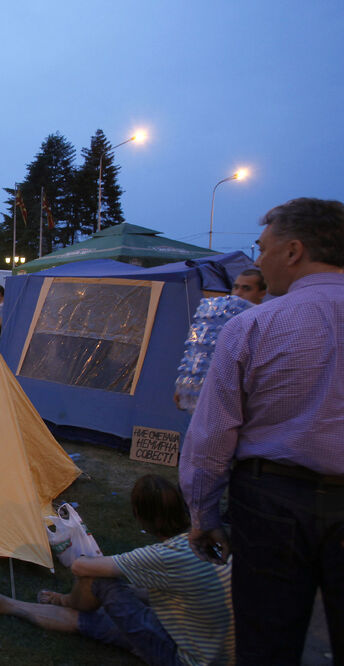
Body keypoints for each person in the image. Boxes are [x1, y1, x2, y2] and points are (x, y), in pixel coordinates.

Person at [179, 197, 344, 664]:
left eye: (263, 248)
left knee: (267, 643)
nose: (258, 261)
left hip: (274, 502)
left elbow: (213, 434)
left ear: (294, 251)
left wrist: (203, 514)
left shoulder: (255, 326)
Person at [0, 475, 233, 666]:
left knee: (98, 580)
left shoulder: (164, 556)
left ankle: (36, 603)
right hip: (223, 650)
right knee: (117, 595)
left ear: (139, 515)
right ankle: (2, 604)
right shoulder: (211, 545)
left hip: (184, 657)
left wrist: (76, 592)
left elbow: (81, 566)